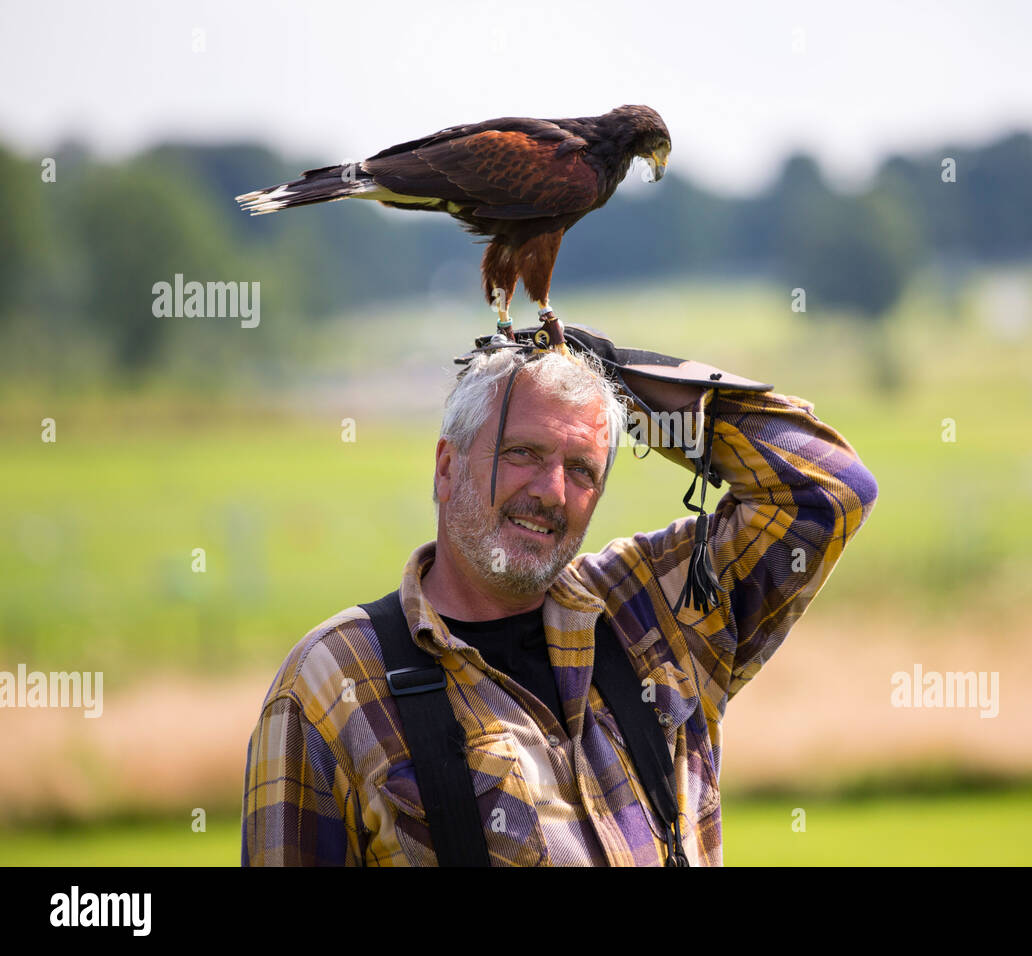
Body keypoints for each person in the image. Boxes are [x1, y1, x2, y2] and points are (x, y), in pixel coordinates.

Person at [240, 329, 878, 866]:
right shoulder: (332, 682)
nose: (551, 491)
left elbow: (828, 489)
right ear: (445, 467)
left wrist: (607, 365)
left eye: (582, 470)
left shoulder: (650, 606)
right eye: (523, 452)